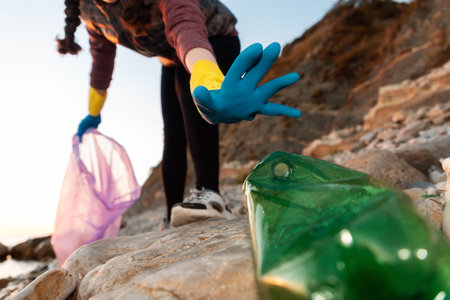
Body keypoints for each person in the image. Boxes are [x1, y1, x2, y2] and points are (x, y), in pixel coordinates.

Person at [57, 0, 301, 229]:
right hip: (171, 57)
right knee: (172, 132)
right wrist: (93, 113)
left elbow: (184, 23)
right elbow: (102, 61)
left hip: (212, 39)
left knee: (193, 99)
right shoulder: (89, 10)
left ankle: (211, 194)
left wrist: (207, 76)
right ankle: (172, 212)